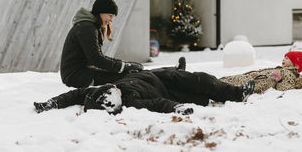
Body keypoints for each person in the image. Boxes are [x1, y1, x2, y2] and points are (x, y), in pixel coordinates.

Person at [34, 57, 255, 115]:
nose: (116, 88)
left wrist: (50, 103)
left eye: (113, 87)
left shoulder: (94, 93)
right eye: (116, 92)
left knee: (191, 76)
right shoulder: (132, 101)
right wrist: (175, 108)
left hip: (152, 74)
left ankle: (178, 70)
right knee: (201, 86)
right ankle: (238, 94)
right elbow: (156, 103)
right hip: (165, 88)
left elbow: (72, 95)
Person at [60, 0, 143, 88]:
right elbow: (96, 59)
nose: (111, 20)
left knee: (127, 75)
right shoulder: (87, 28)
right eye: (110, 15)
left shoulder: (90, 26)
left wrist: (123, 65)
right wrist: (123, 67)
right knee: (126, 77)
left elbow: (98, 57)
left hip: (80, 72)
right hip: (75, 76)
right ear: (100, 12)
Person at [219, 48, 302, 94]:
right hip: (254, 78)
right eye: (284, 57)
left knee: (230, 83)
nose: (283, 59)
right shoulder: (282, 69)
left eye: (287, 58)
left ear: (295, 65)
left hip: (256, 83)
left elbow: (285, 87)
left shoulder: (290, 73)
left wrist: (278, 80)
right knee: (230, 79)